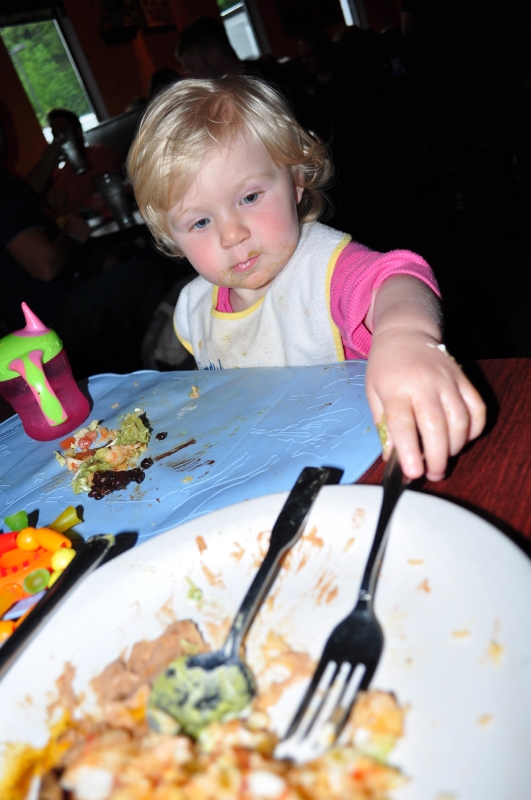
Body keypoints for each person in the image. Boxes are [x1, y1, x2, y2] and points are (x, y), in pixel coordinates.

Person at [127, 74, 486, 482]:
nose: (232, 235)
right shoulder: (194, 310)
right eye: (200, 222)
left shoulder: (324, 272)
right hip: (263, 474)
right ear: (171, 237)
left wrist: (406, 336)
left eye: (249, 197)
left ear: (296, 179)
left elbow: (397, 279)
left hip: (367, 465)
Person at [25, 108, 121, 219]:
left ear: (78, 132)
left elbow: (99, 188)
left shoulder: (102, 153)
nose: (60, 140)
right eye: (55, 135)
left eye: (63, 132)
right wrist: (46, 165)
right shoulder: (62, 173)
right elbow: (56, 203)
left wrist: (64, 214)